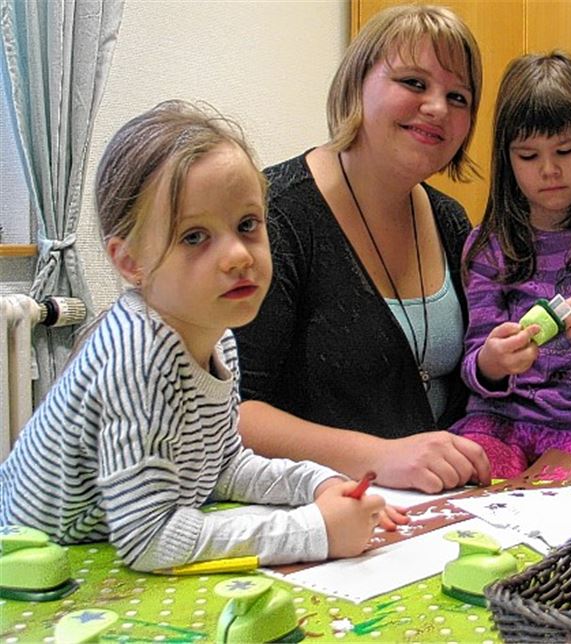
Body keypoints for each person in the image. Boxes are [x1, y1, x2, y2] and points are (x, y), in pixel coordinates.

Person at [233, 5, 571, 491]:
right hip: (324, 505)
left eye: (458, 95)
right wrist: (381, 457)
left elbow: (467, 387)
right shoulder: (276, 216)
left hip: (443, 500)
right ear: (356, 82)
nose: (437, 107)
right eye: (413, 83)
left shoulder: (449, 221)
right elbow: (230, 412)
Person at [0, 101, 387, 572]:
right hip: (31, 569)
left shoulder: (216, 335)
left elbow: (221, 469)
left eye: (248, 225)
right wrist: (315, 530)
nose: (238, 256)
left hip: (98, 554)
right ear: (129, 263)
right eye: (194, 237)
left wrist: (319, 484)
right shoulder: (140, 357)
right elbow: (150, 540)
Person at [448, 51, 571, 481]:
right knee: (476, 490)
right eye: (528, 156)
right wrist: (492, 360)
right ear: (507, 160)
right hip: (497, 422)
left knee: (568, 515)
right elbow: (472, 363)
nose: (549, 169)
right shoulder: (487, 246)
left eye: (565, 150)